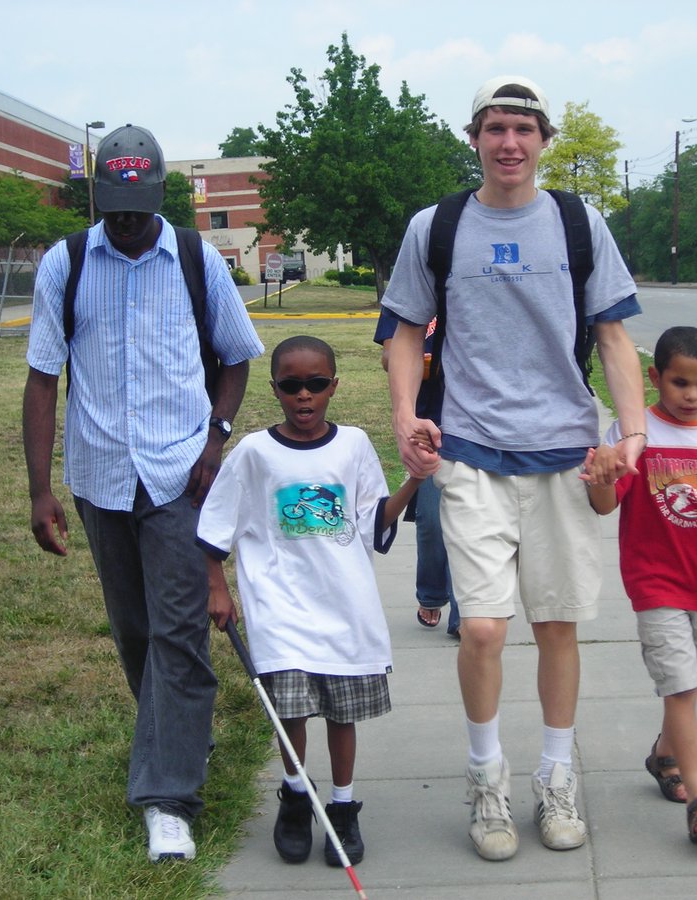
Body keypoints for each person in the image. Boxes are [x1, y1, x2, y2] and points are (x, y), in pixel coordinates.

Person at [382, 75, 648, 860]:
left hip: (565, 454)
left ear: (543, 141)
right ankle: (486, 779)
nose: (509, 143)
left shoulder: (577, 223)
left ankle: (556, 776)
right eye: (495, 128)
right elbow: (402, 332)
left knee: (558, 625)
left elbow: (615, 336)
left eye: (524, 130)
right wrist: (404, 417)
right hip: (470, 451)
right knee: (487, 630)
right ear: (474, 137)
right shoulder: (437, 227)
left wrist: (630, 434)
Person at [22, 124, 264, 862]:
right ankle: (185, 735)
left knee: (180, 633)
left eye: (136, 206)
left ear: (159, 196)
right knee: (134, 634)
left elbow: (236, 359)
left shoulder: (195, 260)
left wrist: (216, 438)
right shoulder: (65, 263)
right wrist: (40, 489)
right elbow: (42, 378)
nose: (123, 220)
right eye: (111, 206)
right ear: (96, 197)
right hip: (99, 480)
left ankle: (167, 799)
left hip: (177, 476)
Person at [197, 335, 423, 867]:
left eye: (316, 385)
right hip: (282, 609)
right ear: (275, 389)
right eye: (292, 385)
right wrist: (217, 586)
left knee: (340, 716)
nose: (304, 396)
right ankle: (296, 796)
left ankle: (342, 807)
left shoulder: (355, 446)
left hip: (344, 607)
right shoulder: (254, 453)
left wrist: (415, 479)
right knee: (293, 712)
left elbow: (373, 521)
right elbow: (214, 528)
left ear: (333, 387)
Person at [583, 325, 697, 845]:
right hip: (655, 580)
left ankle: (665, 754)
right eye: (680, 382)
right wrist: (600, 478)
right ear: (654, 378)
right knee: (681, 684)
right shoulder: (633, 431)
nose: (692, 395)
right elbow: (605, 505)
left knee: (694, 676)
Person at [373, 307, 460, 638]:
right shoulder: (407, 295)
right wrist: (427, 363)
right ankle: (432, 593)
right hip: (426, 423)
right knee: (432, 520)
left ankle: (465, 613)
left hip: (474, 421)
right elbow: (388, 357)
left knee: (472, 520)